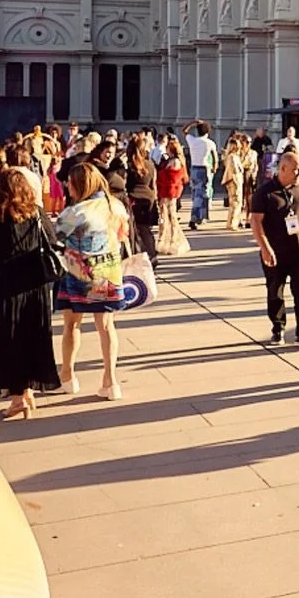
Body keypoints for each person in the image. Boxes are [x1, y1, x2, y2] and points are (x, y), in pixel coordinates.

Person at [55, 159, 127, 401]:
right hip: (108, 271)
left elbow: (56, 239)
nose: (67, 185)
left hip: (78, 273)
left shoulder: (74, 213)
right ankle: (110, 380)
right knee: (106, 326)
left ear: (79, 185)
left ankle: (68, 376)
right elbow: (122, 236)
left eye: (70, 182)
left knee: (71, 324)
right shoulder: (116, 206)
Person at [0, 165, 61, 417]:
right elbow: (53, 240)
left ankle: (17, 398)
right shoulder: (36, 212)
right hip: (35, 286)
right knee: (33, 337)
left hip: (7, 287)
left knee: (10, 340)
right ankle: (27, 393)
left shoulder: (1, 215)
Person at [250, 150, 299, 346]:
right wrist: (265, 248)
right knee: (275, 291)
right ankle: (278, 327)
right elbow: (256, 221)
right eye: (296, 170)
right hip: (276, 252)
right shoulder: (265, 192)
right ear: (283, 169)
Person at [124, 136, 159, 267]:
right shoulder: (150, 164)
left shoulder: (128, 165)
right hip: (148, 198)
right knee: (146, 230)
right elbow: (153, 184)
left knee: (133, 231)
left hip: (134, 199)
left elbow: (125, 185)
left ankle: (138, 255)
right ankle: (152, 254)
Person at [155, 136, 190, 256]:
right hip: (165, 192)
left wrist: (160, 175)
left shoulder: (175, 162)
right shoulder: (169, 160)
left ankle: (173, 242)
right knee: (163, 218)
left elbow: (173, 178)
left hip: (170, 193)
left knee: (170, 217)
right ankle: (163, 241)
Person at [183, 120, 218, 229]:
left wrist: (193, 123)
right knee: (203, 194)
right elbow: (215, 157)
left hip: (194, 168)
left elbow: (184, 131)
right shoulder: (210, 143)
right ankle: (197, 217)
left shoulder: (193, 141)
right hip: (204, 168)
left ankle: (198, 216)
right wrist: (214, 168)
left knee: (196, 193)